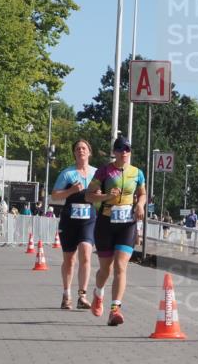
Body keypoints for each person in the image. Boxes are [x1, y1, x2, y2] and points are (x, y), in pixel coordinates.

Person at [86, 136, 147, 326]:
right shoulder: (104, 171)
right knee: (106, 269)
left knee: (121, 266)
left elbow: (143, 193)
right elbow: (89, 196)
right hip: (105, 223)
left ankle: (115, 310)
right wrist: (105, 195)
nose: (124, 152)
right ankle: (98, 293)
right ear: (115, 151)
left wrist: (140, 205)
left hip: (127, 224)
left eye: (127, 149)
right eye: (120, 149)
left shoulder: (137, 173)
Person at [51, 139, 97, 310]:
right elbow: (54, 196)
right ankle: (66, 294)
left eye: (84, 148)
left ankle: (82, 296)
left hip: (88, 219)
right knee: (70, 260)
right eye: (77, 148)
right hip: (69, 220)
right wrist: (71, 191)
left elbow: (104, 194)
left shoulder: (96, 173)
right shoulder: (67, 173)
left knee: (86, 253)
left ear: (89, 152)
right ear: (74, 153)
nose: (81, 151)